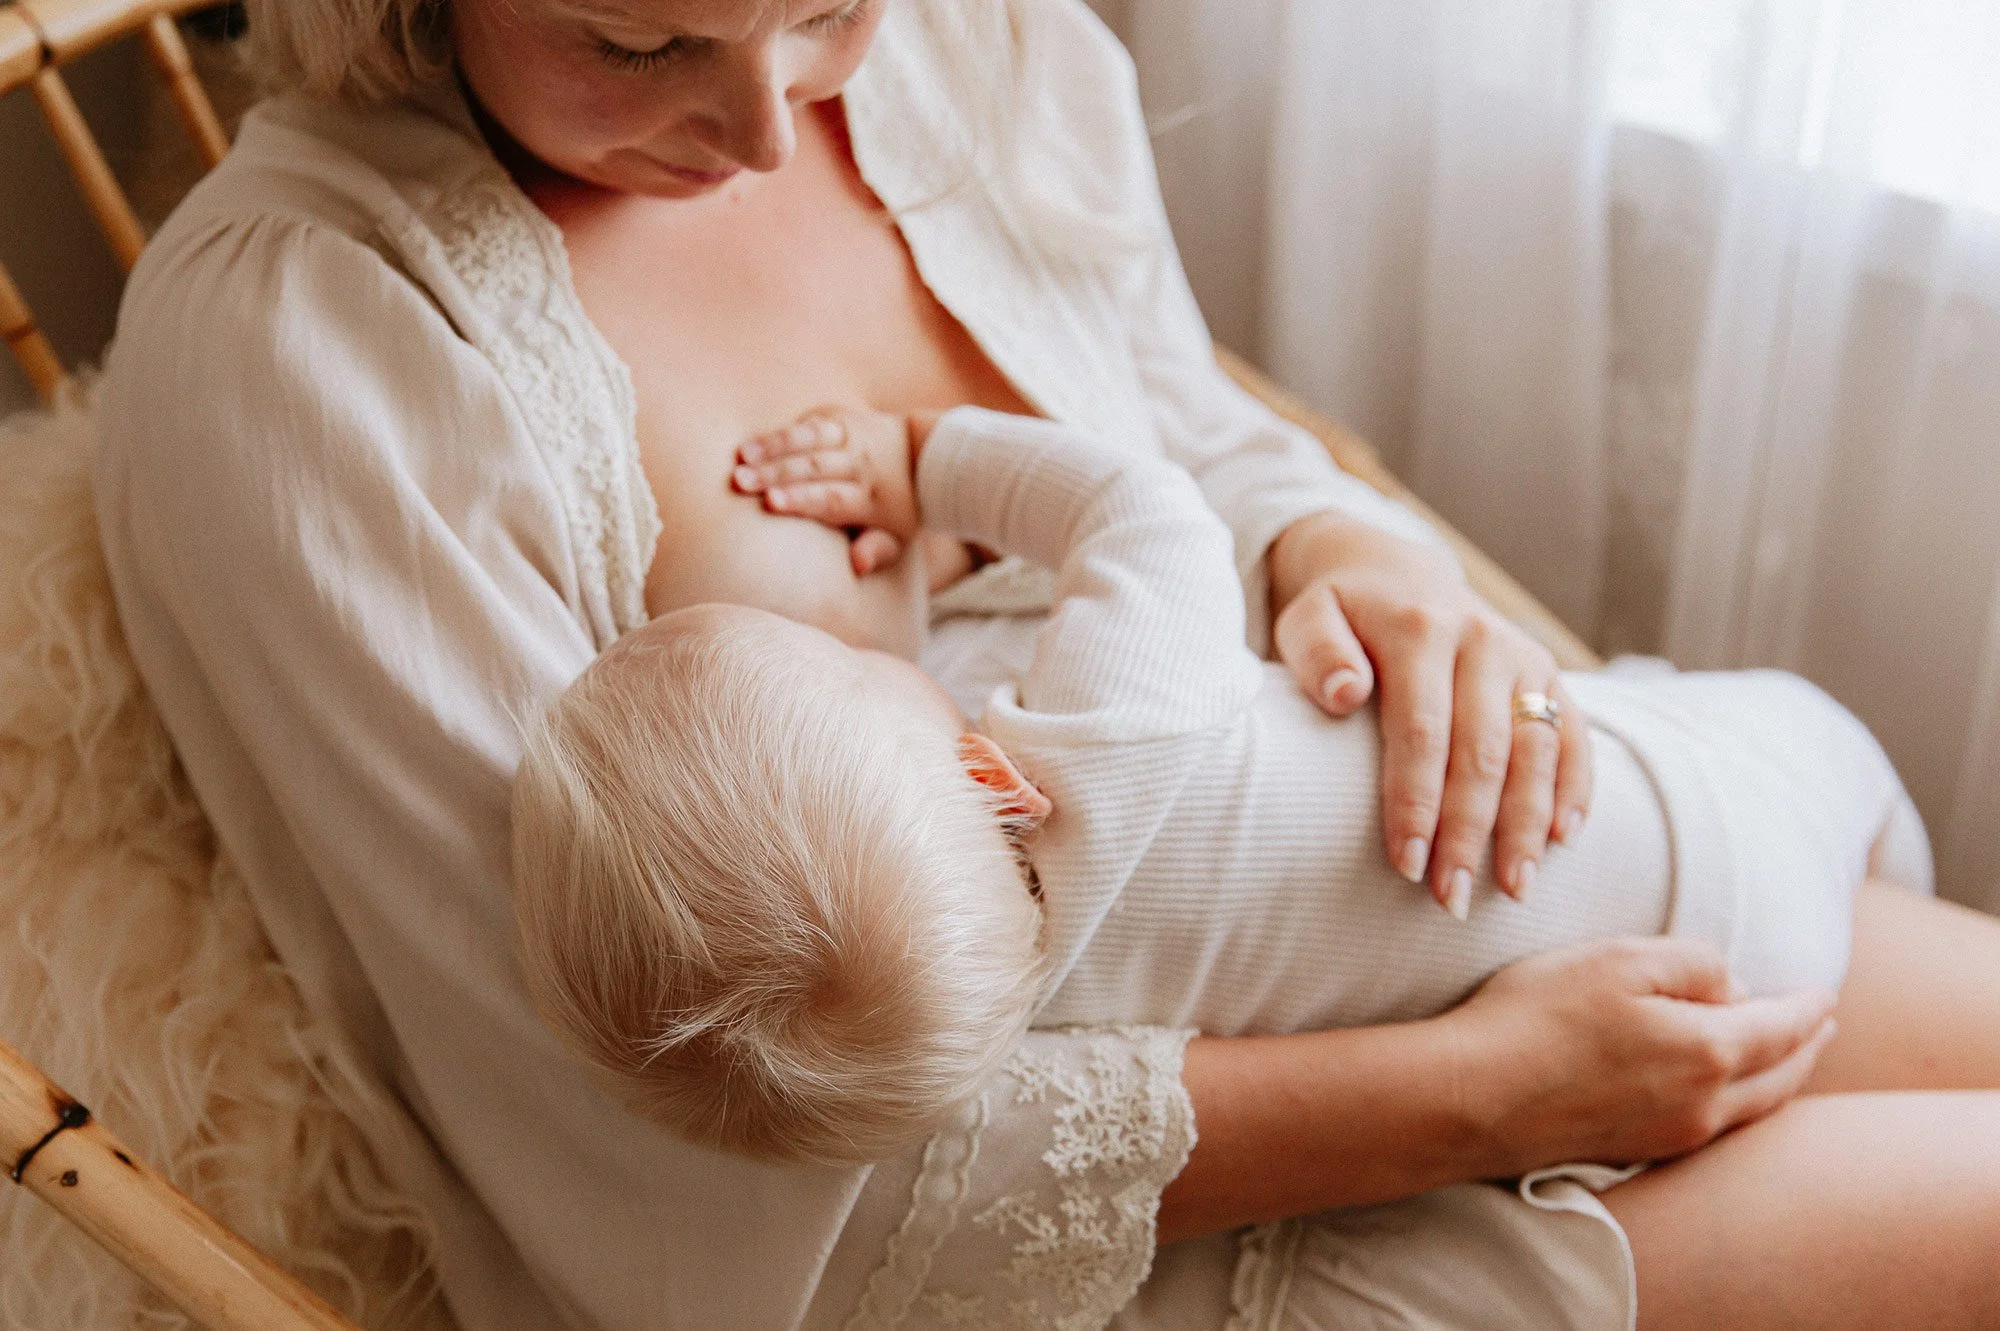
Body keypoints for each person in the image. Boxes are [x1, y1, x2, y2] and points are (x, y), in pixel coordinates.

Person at [91, 0, 2000, 1326]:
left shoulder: (970, 57)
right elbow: (679, 1173)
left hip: (1397, 897)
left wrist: (1347, 550)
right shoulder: (303, 353)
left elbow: (1189, 445)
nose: (765, 129)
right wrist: (1476, 1094)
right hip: (1092, 1232)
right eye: (632, 38)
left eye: (827, 6)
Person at [509, 402, 1921, 1167]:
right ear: (992, 770)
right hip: (1687, 798)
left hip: (1656, 995)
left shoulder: (996, 1029)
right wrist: (925, 464)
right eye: (866, 666)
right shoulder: (1116, 728)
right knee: (1836, 770)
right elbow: (1142, 510)